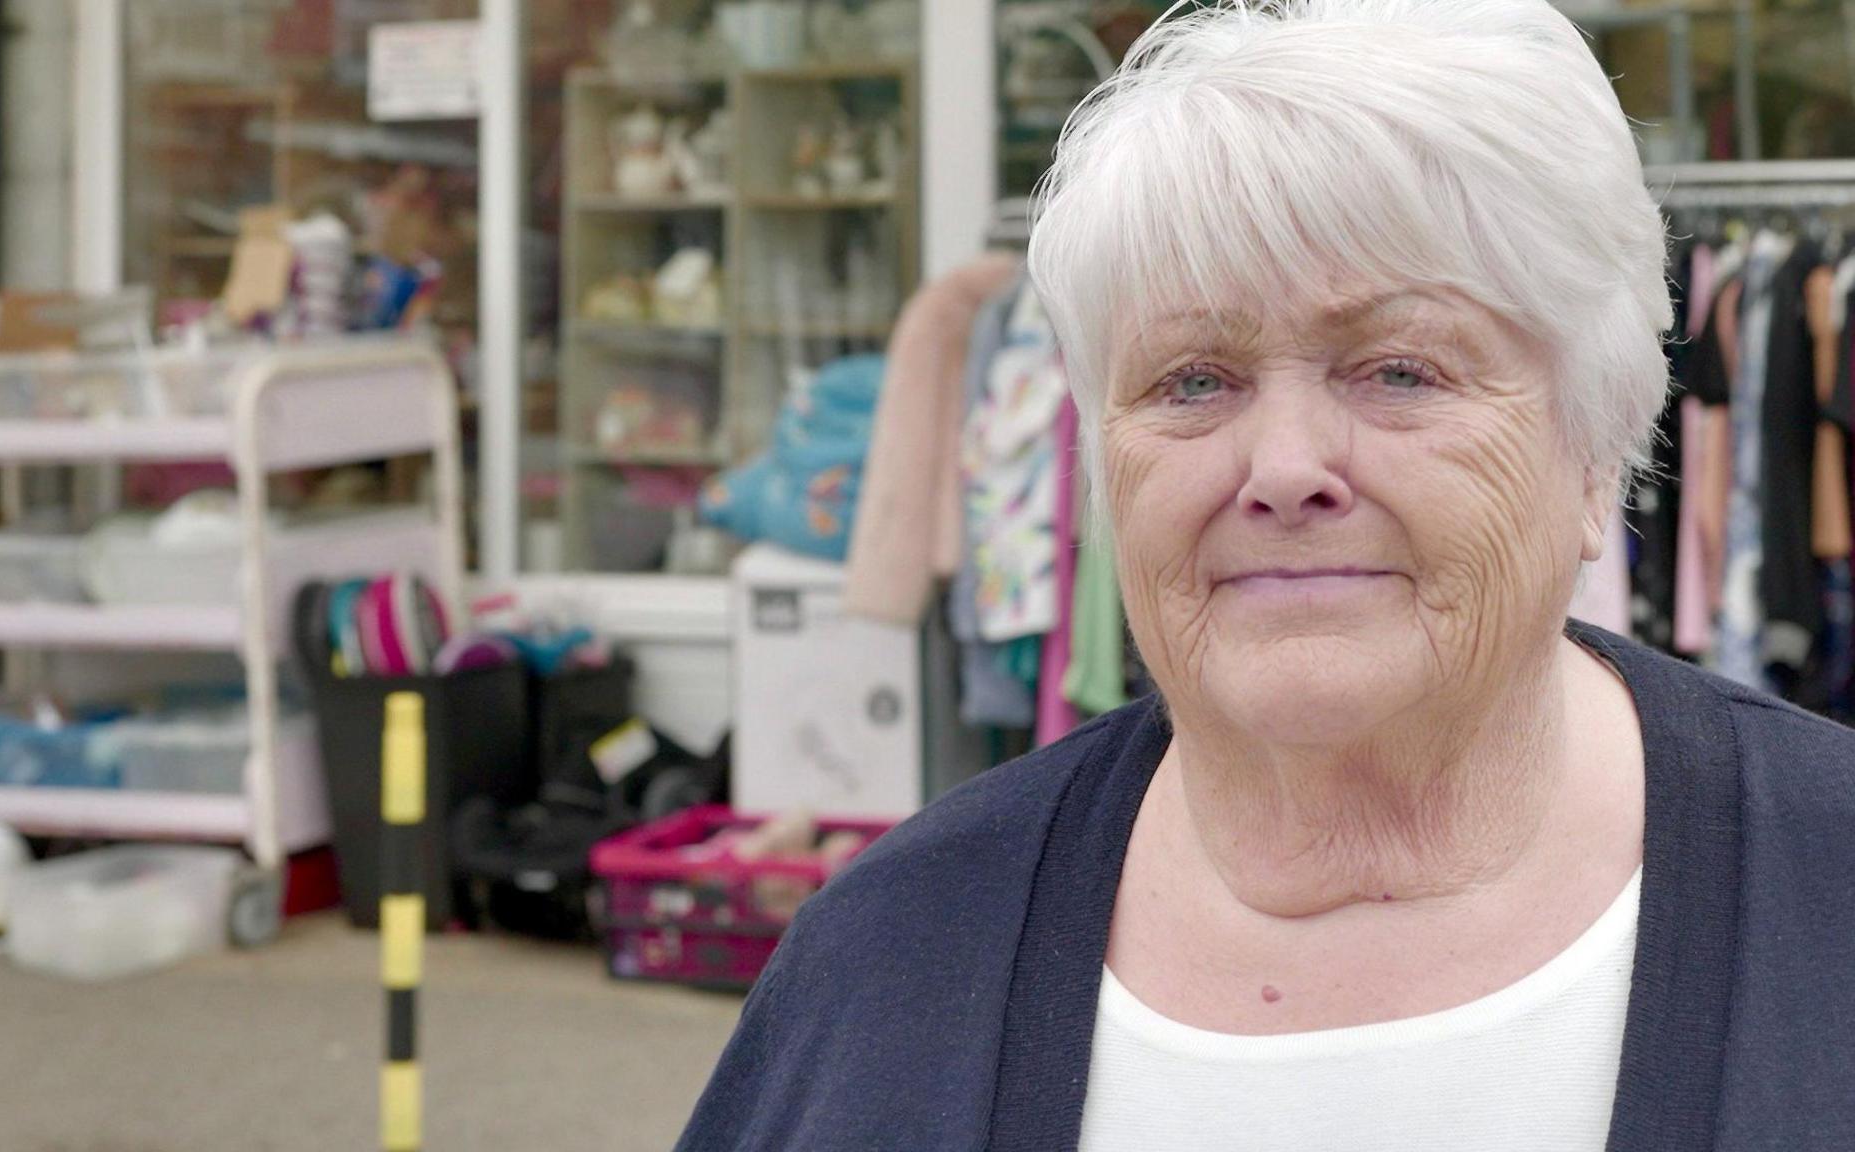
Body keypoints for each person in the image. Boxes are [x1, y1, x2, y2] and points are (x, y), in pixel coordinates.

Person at [678, 2, 1855, 1148]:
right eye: (1193, 382)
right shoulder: (890, 957)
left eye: (1397, 370)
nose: (1284, 471)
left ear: (1594, 450)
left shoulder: (1825, 879)